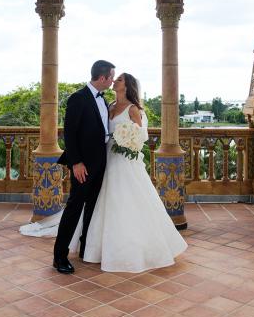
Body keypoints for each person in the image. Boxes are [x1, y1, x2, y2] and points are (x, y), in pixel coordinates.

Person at [81, 72, 187, 272]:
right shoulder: (109, 106)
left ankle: (130, 249)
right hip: (107, 157)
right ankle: (98, 247)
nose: (114, 82)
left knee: (124, 199)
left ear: (127, 85)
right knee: (103, 199)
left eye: (119, 80)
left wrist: (126, 143)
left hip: (124, 160)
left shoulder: (133, 109)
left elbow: (139, 137)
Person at [53, 60, 115, 274]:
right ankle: (59, 256)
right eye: (111, 77)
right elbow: (69, 134)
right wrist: (76, 162)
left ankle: (85, 247)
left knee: (92, 208)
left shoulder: (104, 100)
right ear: (103, 77)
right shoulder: (78, 98)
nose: (113, 81)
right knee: (74, 208)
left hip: (101, 164)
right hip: (83, 166)